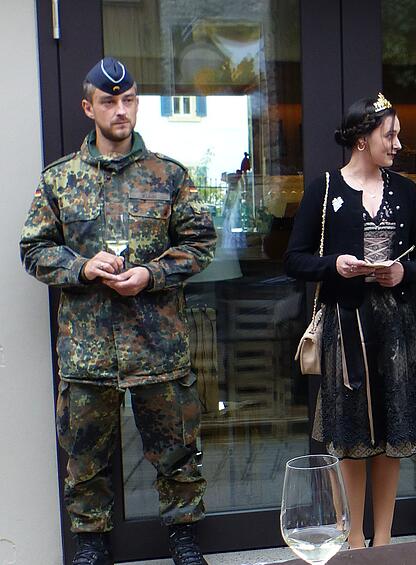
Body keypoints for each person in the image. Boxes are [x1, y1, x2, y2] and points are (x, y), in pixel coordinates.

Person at [19, 57, 216, 565]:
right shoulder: (59, 181)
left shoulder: (169, 176)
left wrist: (151, 274)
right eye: (109, 101)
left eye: (128, 100)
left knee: (176, 452)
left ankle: (185, 538)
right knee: (86, 459)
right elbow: (34, 250)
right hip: (88, 352)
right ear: (89, 108)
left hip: (157, 346)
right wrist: (83, 268)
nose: (121, 110)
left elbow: (199, 242)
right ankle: (90, 544)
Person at [285, 93, 416, 548]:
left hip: (394, 327)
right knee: (352, 437)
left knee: (392, 434)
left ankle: (385, 541)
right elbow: (293, 260)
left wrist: (403, 271)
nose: (397, 143)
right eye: (389, 135)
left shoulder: (405, 191)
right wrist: (335, 265)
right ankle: (354, 542)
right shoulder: (324, 189)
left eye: (397, 135)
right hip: (345, 324)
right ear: (360, 139)